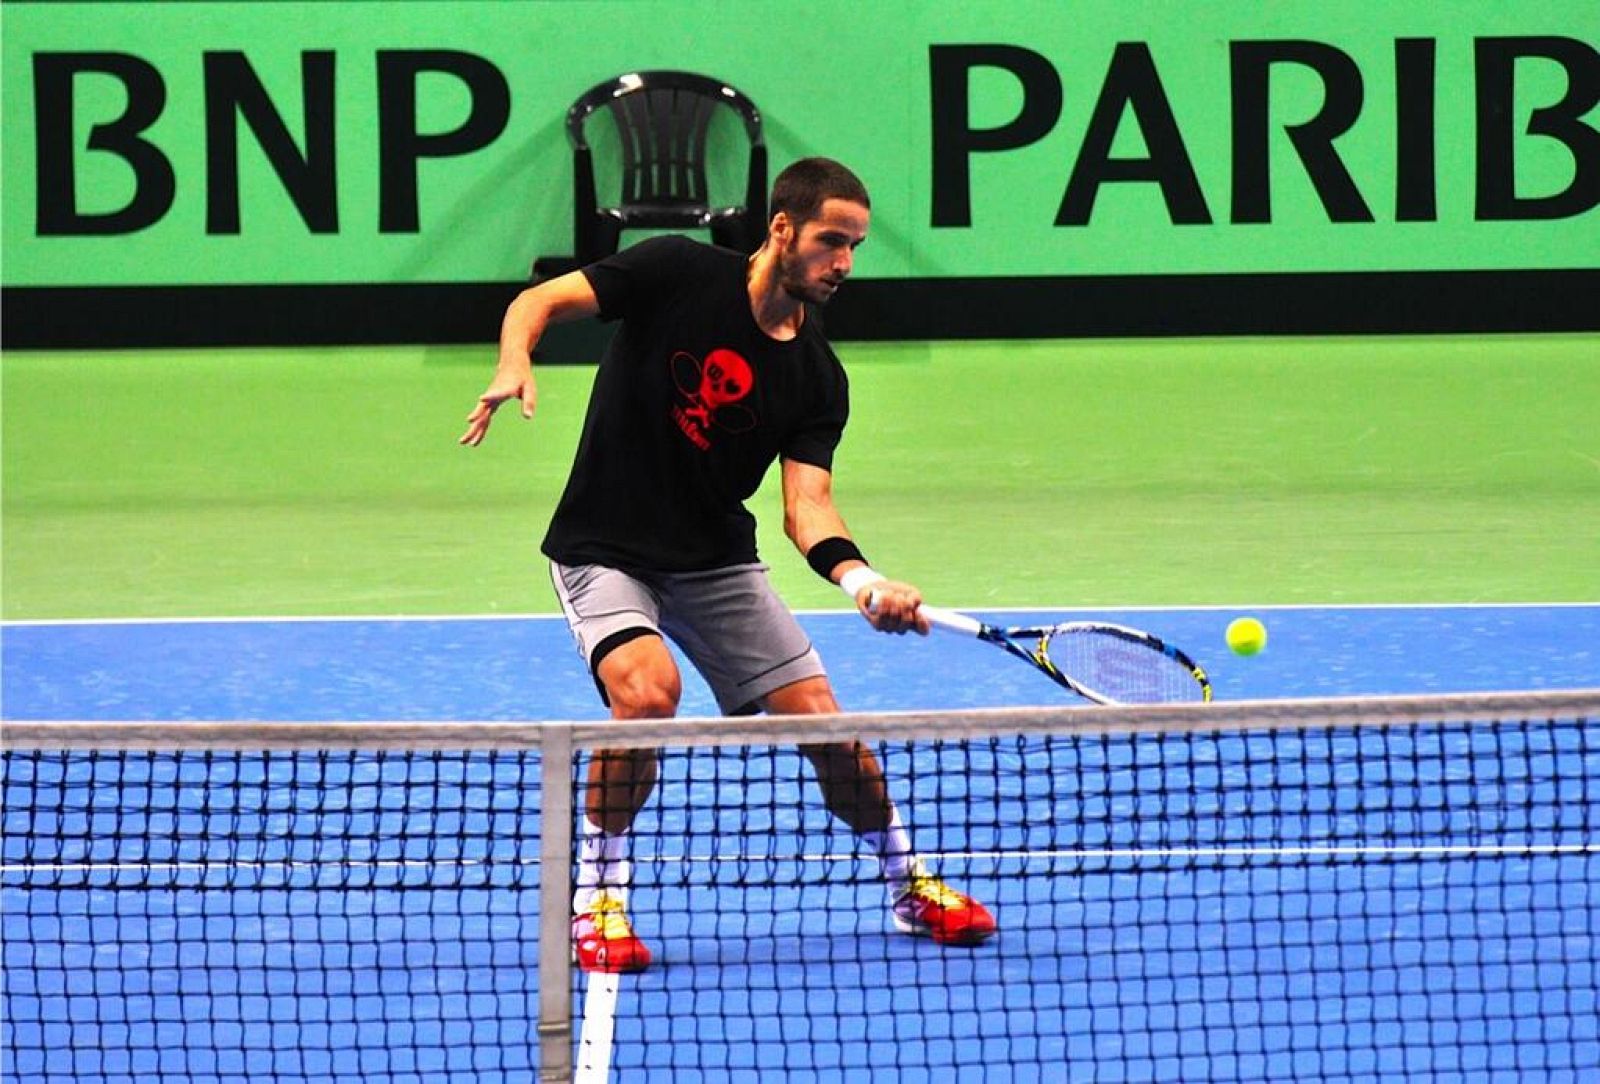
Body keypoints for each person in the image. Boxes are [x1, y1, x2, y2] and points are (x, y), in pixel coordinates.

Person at [461, 157, 996, 973]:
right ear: (782, 229)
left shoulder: (818, 376)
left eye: (855, 246)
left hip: (714, 562)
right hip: (604, 544)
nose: (844, 263)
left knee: (828, 726)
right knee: (648, 695)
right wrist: (514, 358)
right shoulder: (676, 270)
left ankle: (908, 884)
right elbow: (539, 300)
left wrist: (864, 581)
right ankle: (598, 900)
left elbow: (806, 508)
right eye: (830, 241)